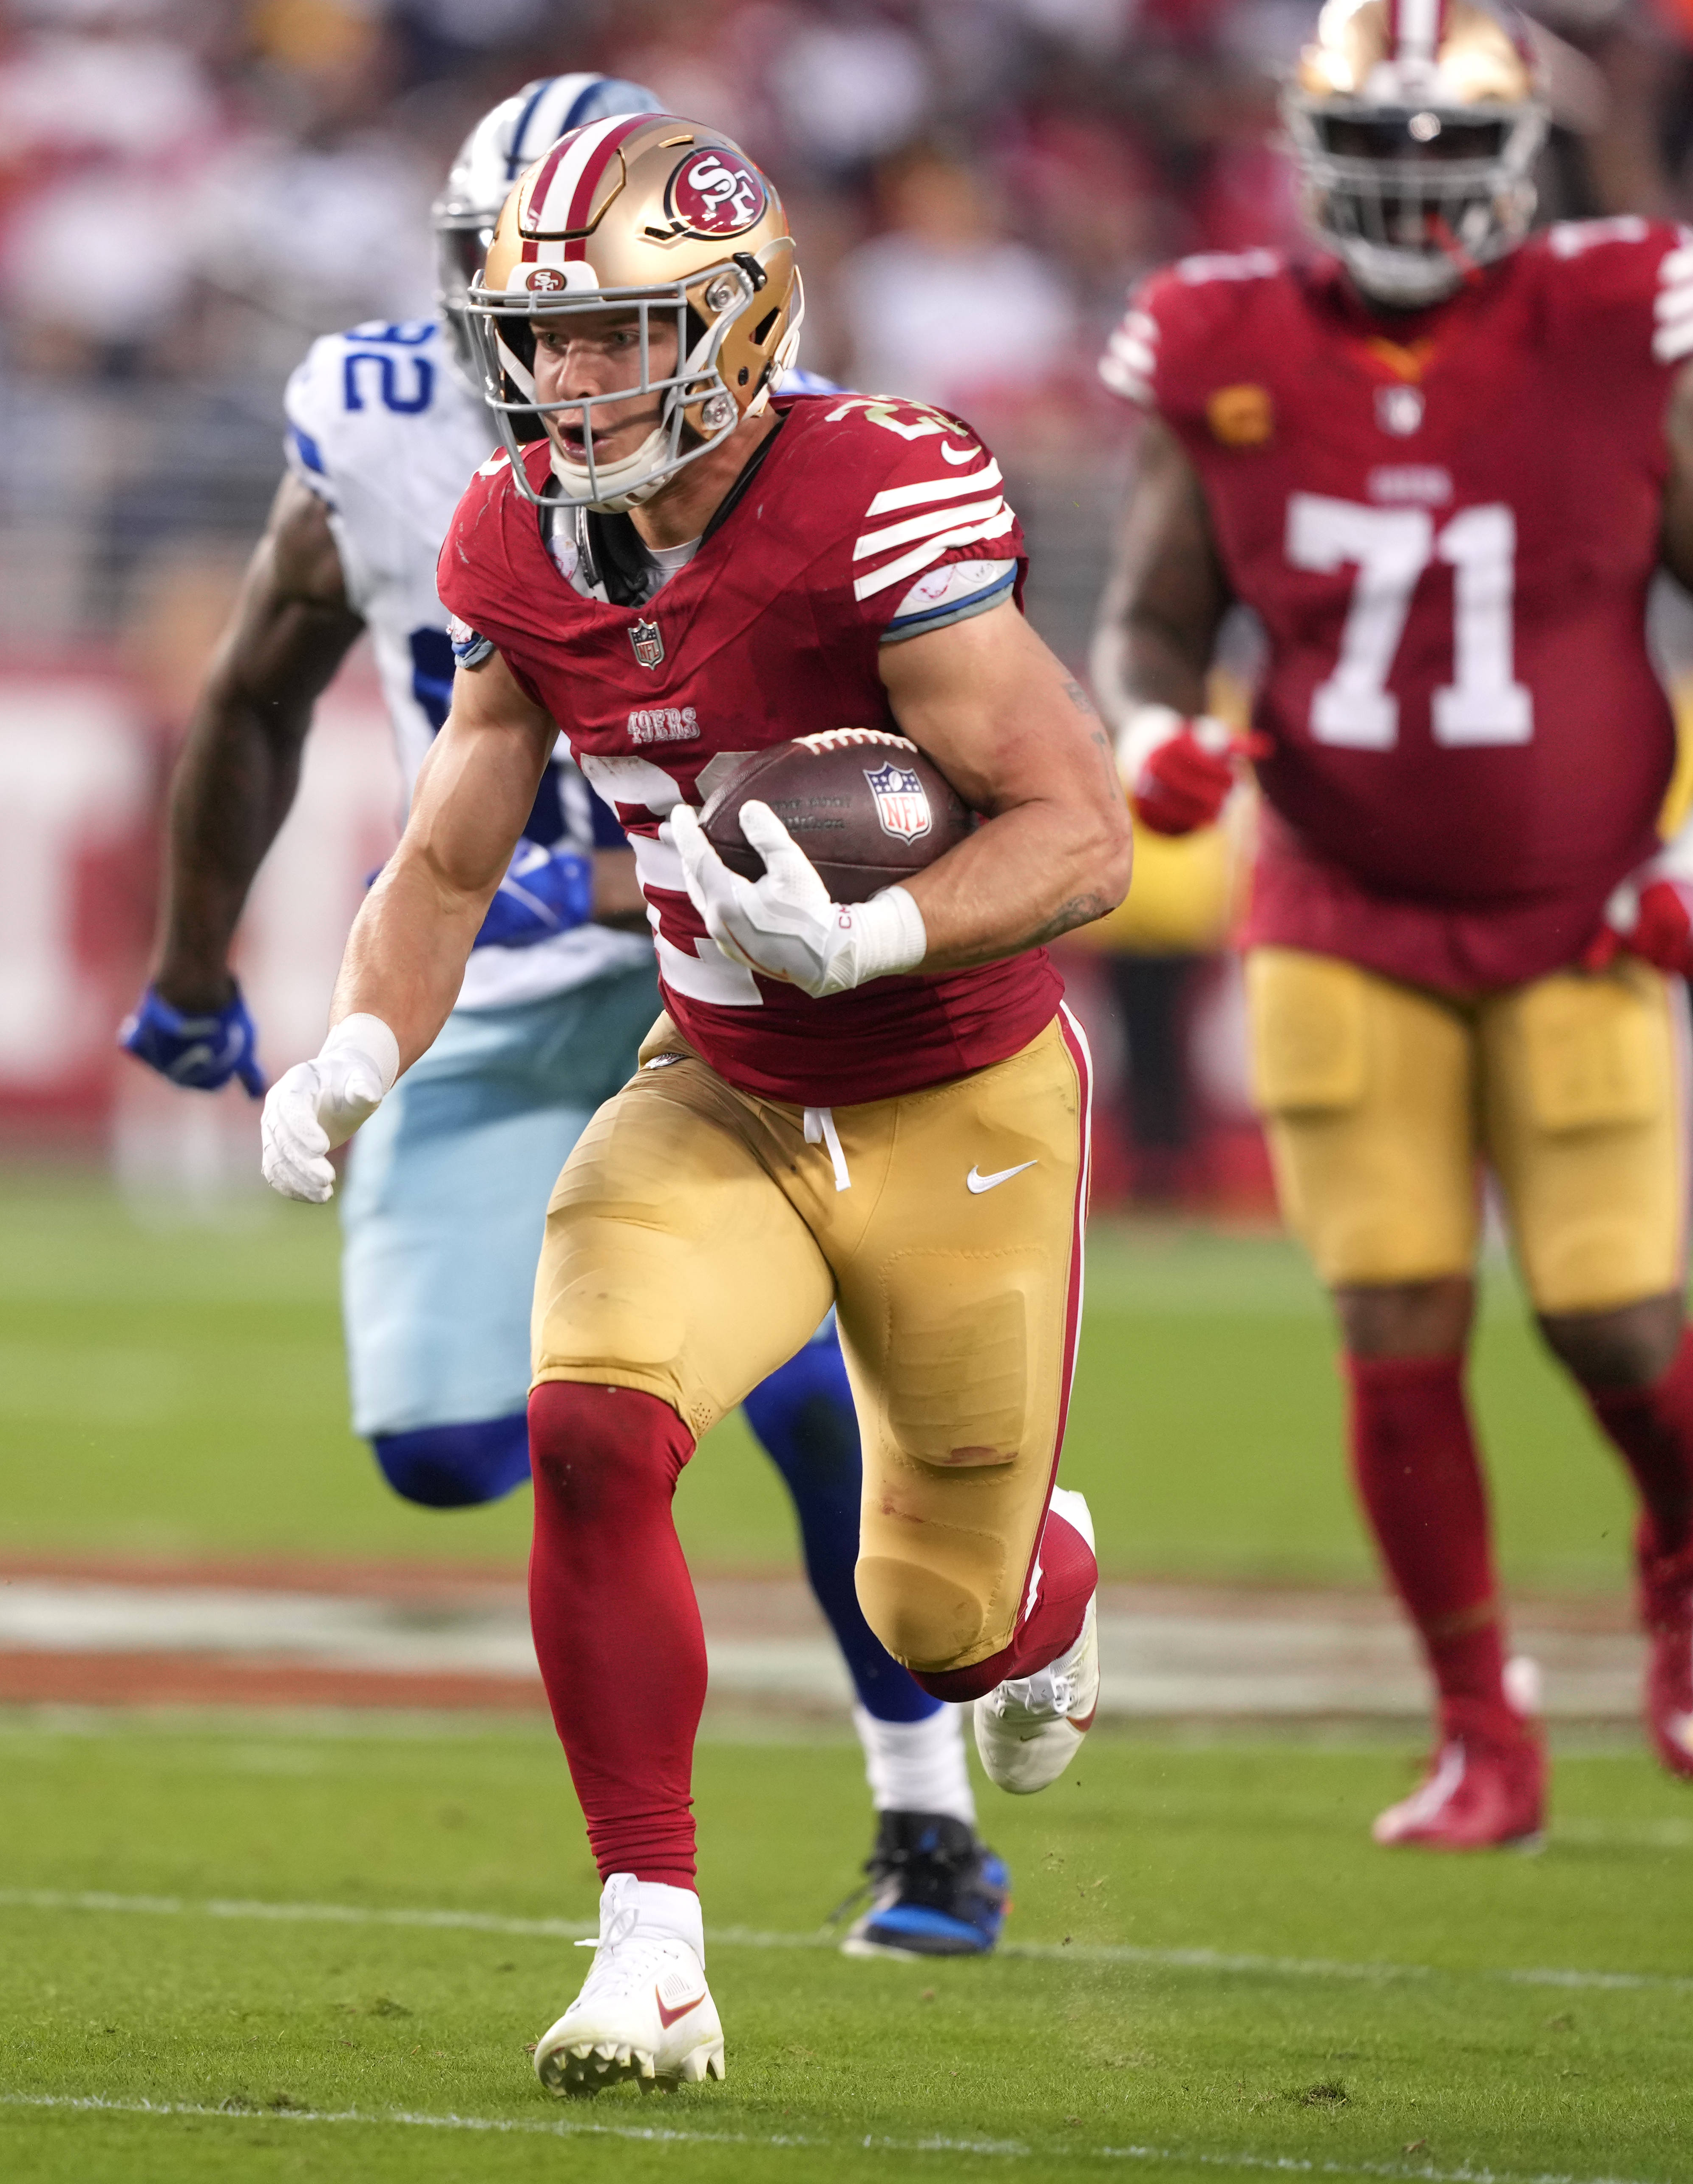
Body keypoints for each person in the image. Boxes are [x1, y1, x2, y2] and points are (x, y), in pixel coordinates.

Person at [256, 112, 1127, 2093]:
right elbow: (450, 854)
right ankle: (651, 1946)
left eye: (614, 337)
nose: (564, 380)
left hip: (957, 1095)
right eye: (539, 339)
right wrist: (358, 1050)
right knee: (584, 1425)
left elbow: (1081, 835)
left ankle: (1045, 1585)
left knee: (941, 1618)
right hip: (719, 1080)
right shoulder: (515, 533)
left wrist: (883, 937)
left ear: (734, 330)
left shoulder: (874, 497)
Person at [124, 78, 1010, 1964]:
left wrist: (653, 882)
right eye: (516, 295)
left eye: (611, 306)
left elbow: (893, 760)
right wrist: (198, 963)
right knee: (441, 1448)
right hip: (475, 983)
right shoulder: (376, 429)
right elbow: (260, 688)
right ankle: (717, 1391)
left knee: (722, 1386)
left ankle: (924, 1814)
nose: (567, 343)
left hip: (725, 973)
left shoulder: (766, 429)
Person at [1090, 0, 1693, 1849]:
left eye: (1448, 151)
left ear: (1516, 158)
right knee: (1393, 1321)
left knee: (1613, 1322)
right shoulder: (1226, 341)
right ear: (1311, 144)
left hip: (1579, 909)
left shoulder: (1615, 318)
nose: (1413, 188)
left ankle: (1689, 1538)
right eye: (1380, 148)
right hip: (1341, 907)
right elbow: (1153, 616)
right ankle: (1477, 1721)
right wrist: (1158, 731)